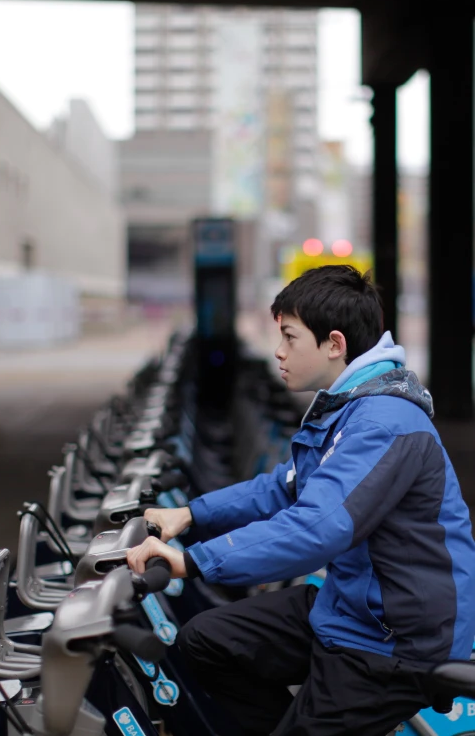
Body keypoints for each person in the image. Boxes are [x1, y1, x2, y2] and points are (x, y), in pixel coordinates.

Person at [127, 264, 475, 736]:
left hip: (394, 641)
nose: (278, 351)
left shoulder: (382, 422)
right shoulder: (347, 404)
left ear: (334, 344)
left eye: (290, 337)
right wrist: (189, 514)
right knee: (207, 641)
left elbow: (318, 527)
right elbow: (284, 486)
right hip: (350, 609)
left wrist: (193, 560)